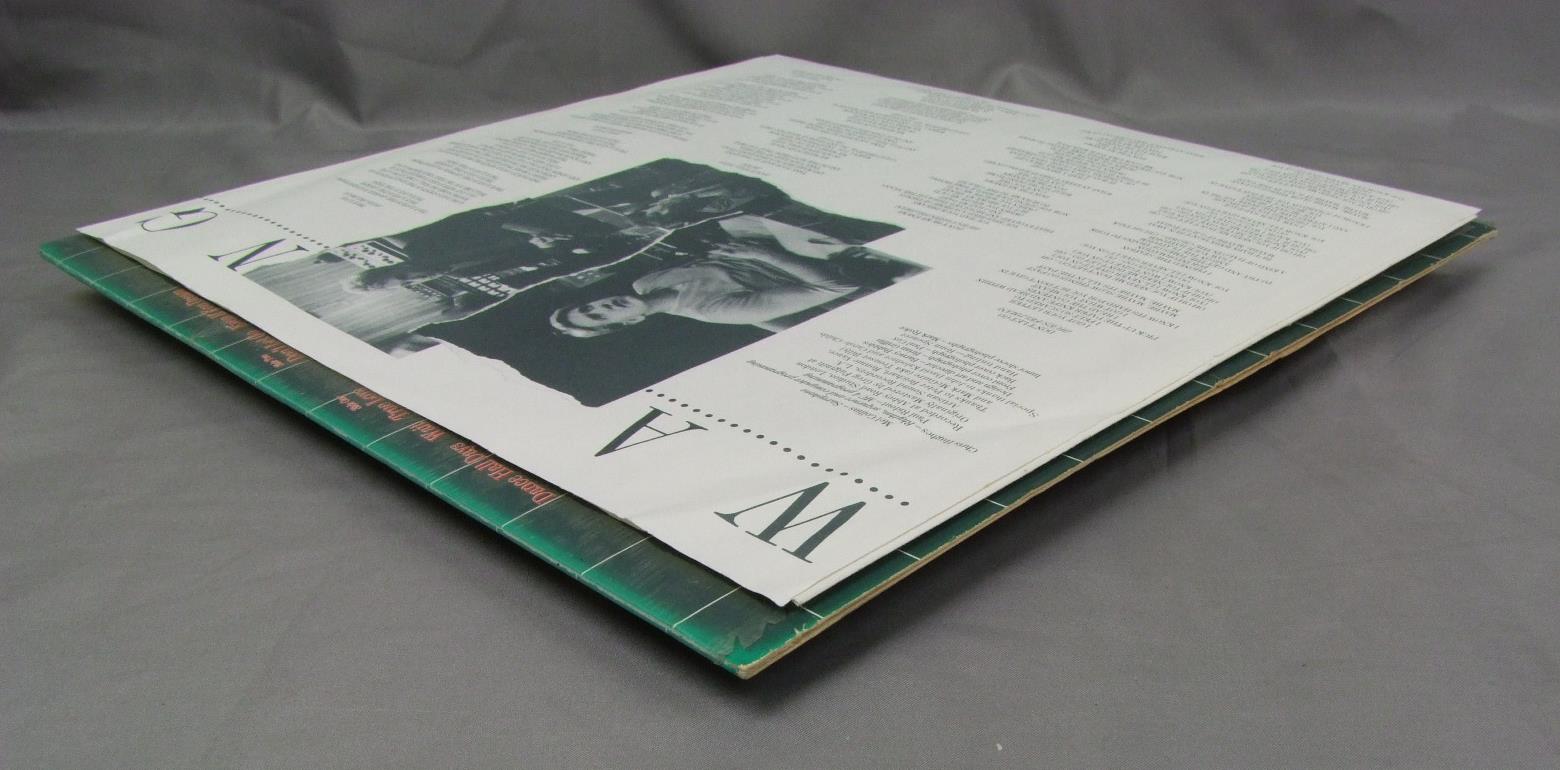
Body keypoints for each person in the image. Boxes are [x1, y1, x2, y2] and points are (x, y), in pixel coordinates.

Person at [548, 236, 862, 336]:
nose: (602, 307)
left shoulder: (644, 282)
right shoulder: (714, 311)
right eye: (600, 317)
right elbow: (838, 287)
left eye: (589, 307)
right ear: (630, 322)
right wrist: (763, 255)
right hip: (826, 257)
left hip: (769, 236)